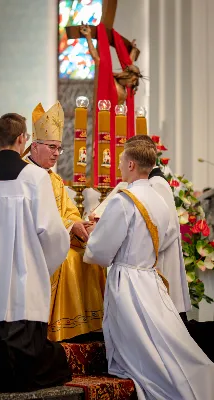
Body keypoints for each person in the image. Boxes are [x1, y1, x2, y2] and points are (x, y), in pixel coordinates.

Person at [84, 140, 214, 399]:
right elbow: (166, 238)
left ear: (131, 164)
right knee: (160, 337)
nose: (120, 166)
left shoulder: (124, 201)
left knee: (138, 345)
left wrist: (90, 238)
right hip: (151, 278)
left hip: (128, 280)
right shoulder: (159, 198)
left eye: (121, 162)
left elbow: (100, 250)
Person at [0, 113, 71, 391]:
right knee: (50, 363)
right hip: (23, 289)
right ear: (23, 139)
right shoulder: (34, 178)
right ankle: (1, 361)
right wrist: (39, 268)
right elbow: (54, 234)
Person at [22, 101, 106, 342]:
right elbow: (37, 217)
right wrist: (70, 227)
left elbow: (68, 211)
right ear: (34, 146)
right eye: (52, 147)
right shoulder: (25, 175)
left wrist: (80, 224)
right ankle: (60, 326)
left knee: (90, 256)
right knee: (69, 260)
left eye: (59, 148)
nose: (57, 153)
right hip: (36, 244)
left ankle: (87, 326)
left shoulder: (55, 179)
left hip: (58, 237)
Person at [127, 135, 191, 317]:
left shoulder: (157, 184)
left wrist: (140, 250)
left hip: (161, 263)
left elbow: (169, 228)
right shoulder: (150, 183)